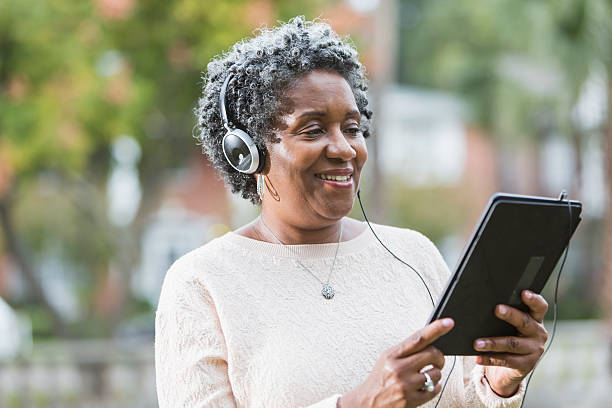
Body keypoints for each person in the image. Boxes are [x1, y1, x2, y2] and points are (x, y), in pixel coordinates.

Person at [155, 17, 549, 408]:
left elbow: (458, 397)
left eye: (352, 127)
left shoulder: (414, 254)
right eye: (312, 130)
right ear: (247, 154)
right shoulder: (200, 284)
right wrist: (362, 403)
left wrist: (497, 384)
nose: (345, 149)